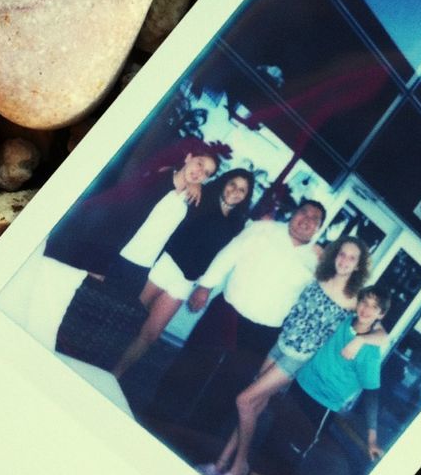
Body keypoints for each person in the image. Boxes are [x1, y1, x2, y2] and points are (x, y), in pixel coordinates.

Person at [143, 200, 326, 442]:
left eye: (315, 219)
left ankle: (198, 433)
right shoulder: (263, 229)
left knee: (232, 381)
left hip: (265, 330)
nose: (307, 220)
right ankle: (159, 413)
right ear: (294, 214)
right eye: (304, 212)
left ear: (318, 228)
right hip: (228, 310)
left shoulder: (318, 261)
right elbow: (229, 253)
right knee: (194, 360)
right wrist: (205, 286)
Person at [200, 237, 372, 475]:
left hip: (299, 359)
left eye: (352, 258)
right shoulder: (321, 275)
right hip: (281, 343)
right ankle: (221, 462)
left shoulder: (355, 300)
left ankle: (238, 468)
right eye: (342, 254)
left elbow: (378, 330)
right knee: (255, 405)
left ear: (359, 266)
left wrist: (361, 342)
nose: (344, 261)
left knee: (244, 401)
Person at [52, 145, 219, 365]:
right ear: (188, 157)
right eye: (199, 163)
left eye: (206, 173)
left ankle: (75, 364)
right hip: (116, 258)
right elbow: (118, 218)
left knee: (104, 322)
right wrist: (100, 262)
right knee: (78, 311)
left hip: (140, 270)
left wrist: (196, 185)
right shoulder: (156, 180)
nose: (200, 172)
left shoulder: (190, 203)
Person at [236, 287, 389, 475]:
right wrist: (363, 336)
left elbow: (372, 393)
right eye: (364, 302)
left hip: (322, 406)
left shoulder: (371, 352)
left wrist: (371, 437)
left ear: (381, 315)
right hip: (300, 387)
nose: (366, 309)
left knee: (289, 456)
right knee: (271, 441)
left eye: (374, 307)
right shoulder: (345, 320)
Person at [112, 168, 255, 382]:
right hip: (167, 264)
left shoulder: (238, 223)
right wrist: (195, 185)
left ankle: (115, 373)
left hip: (187, 281)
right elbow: (178, 178)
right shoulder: (204, 196)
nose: (235, 191)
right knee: (129, 314)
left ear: (246, 197)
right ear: (225, 182)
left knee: (151, 334)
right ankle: (98, 351)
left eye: (242, 190)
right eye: (233, 184)